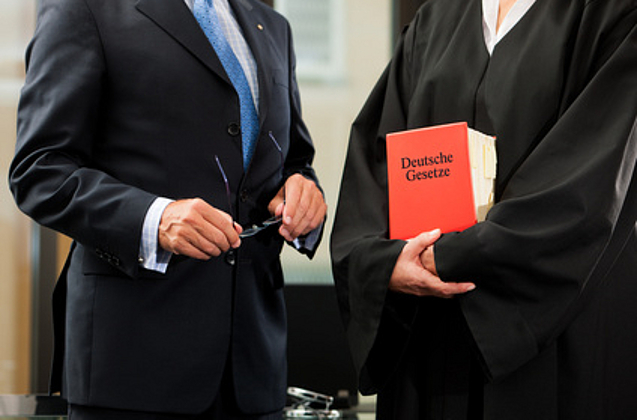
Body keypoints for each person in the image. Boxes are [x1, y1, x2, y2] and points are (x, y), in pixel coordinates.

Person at [9, 0, 327, 419]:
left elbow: (293, 162)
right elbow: (40, 170)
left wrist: (304, 191)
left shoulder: (274, 26)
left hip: (255, 373)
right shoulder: (84, 9)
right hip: (131, 369)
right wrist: (154, 219)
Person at [330, 0, 637, 418]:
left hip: (553, 332)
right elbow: (377, 159)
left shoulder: (614, 13)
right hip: (428, 332)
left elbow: (587, 180)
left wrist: (447, 257)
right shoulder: (436, 19)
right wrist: (384, 263)